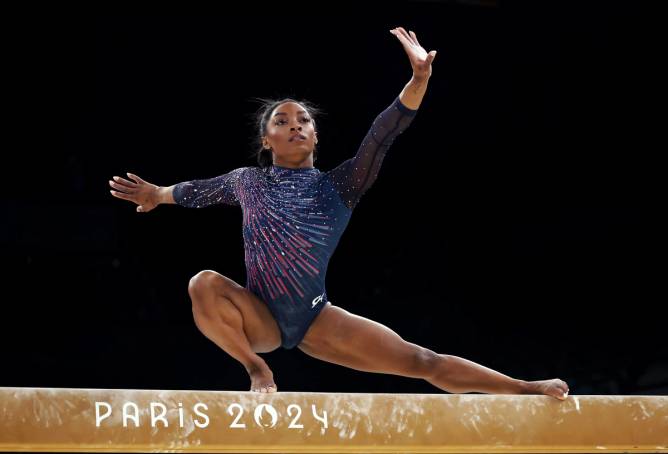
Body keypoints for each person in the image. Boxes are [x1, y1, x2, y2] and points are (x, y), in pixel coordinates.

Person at [109, 27, 570, 400]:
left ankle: (524, 387)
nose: (295, 125)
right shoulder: (246, 180)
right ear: (266, 140)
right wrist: (158, 194)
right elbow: (197, 192)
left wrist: (419, 80)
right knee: (203, 283)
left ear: (315, 137)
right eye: (282, 121)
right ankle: (255, 366)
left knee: (422, 361)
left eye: (304, 121)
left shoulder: (340, 186)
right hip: (258, 318)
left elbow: (382, 135)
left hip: (315, 318)